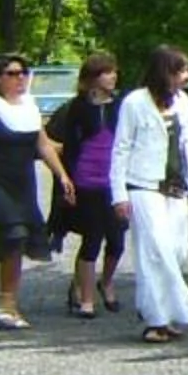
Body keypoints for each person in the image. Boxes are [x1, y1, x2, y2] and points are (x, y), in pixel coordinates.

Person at [0, 54, 72, 331]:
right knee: (13, 234)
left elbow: (44, 145)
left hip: (23, 181)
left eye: (23, 73)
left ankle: (10, 301)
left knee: (22, 239)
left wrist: (62, 175)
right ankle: (6, 303)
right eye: (12, 73)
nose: (19, 78)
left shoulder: (29, 108)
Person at [113, 44, 188, 344]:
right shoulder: (134, 103)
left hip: (177, 186)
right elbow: (121, 149)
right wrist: (119, 194)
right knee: (154, 251)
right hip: (143, 186)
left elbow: (187, 148)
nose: (186, 76)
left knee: (177, 250)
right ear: (164, 72)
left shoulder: (182, 102)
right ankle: (155, 320)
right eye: (181, 70)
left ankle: (166, 315)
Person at [49, 52, 128, 318]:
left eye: (114, 71)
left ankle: (105, 281)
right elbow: (65, 145)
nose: (113, 76)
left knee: (117, 241)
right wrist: (66, 183)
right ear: (92, 78)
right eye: (106, 72)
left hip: (115, 181)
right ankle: (85, 298)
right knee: (92, 239)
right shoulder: (76, 108)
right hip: (87, 182)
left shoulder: (122, 106)